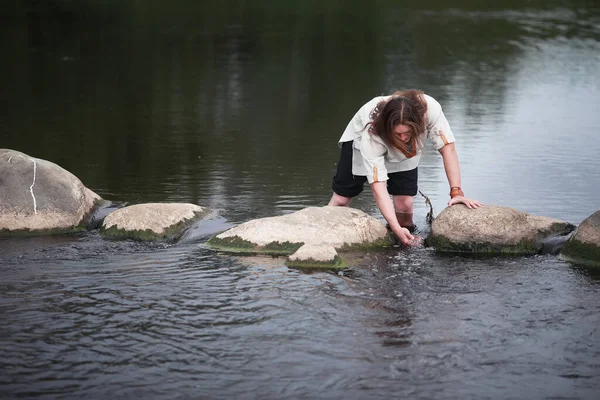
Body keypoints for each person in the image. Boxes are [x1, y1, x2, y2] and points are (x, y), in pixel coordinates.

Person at [328, 89, 482, 246]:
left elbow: (448, 149)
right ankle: (324, 234)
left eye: (406, 132)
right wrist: (395, 228)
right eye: (398, 134)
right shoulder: (371, 133)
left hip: (408, 151)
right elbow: (378, 187)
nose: (402, 138)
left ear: (416, 125)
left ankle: (402, 243)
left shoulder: (431, 110)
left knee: (405, 204)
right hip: (361, 142)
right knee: (342, 198)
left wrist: (456, 192)